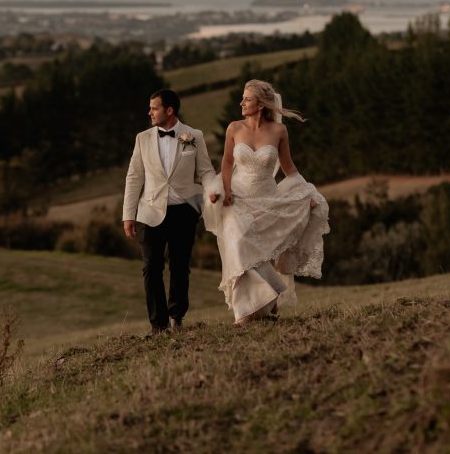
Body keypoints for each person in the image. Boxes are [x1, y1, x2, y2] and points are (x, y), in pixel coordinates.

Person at [203, 79, 329, 325]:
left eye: (246, 99)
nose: (241, 103)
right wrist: (224, 189)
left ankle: (268, 306)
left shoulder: (279, 131)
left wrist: (307, 193)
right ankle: (244, 312)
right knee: (238, 242)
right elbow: (227, 164)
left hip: (267, 197)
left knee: (263, 252)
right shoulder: (234, 128)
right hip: (237, 196)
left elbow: (288, 167)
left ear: (260, 105)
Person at [123, 89, 219, 335]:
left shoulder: (194, 136)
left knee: (179, 267)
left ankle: (177, 317)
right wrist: (128, 214)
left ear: (169, 110)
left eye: (154, 108)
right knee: (151, 267)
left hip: (184, 212)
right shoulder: (142, 138)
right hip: (149, 211)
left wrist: (212, 190)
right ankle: (158, 325)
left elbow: (206, 171)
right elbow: (134, 177)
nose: (149, 113)